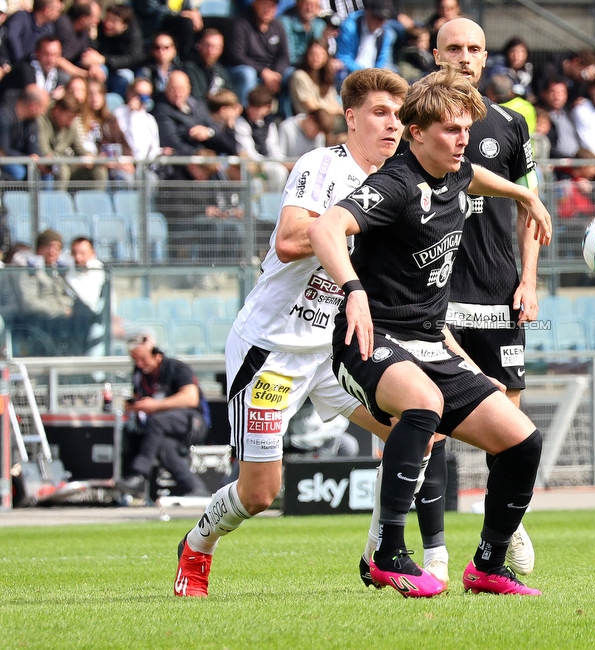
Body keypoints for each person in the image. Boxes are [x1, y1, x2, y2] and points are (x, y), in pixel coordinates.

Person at [307, 66, 552, 597]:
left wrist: (523, 195)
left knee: (522, 441)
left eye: (466, 128)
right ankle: (387, 553)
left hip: (430, 345)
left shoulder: (455, 172)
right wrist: (352, 291)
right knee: (423, 407)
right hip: (370, 343)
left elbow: (477, 178)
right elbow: (325, 227)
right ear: (416, 132)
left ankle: (487, 564)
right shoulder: (394, 184)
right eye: (450, 129)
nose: (463, 139)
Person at [171, 68, 410, 598]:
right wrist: (351, 239)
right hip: (273, 351)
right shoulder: (323, 165)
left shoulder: (401, 183)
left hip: (333, 353)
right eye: (379, 113)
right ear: (351, 118)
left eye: (398, 115)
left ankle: (379, 554)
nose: (391, 125)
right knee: (261, 494)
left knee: (417, 427)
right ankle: (198, 543)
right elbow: (289, 240)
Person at [375, 16, 538, 584]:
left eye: (473, 48)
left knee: (508, 424)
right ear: (433, 53)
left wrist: (530, 280)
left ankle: (500, 532)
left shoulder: (510, 125)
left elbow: (519, 202)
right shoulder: (417, 126)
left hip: (497, 293)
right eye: (453, 48)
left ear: (486, 56)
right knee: (428, 423)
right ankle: (429, 549)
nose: (463, 57)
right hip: (435, 302)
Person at [117, 334, 211, 498]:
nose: (140, 364)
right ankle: (197, 489)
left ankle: (139, 475)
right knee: (164, 448)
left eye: (143, 359)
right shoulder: (140, 374)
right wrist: (135, 405)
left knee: (157, 421)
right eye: (136, 360)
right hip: (162, 427)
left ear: (157, 355)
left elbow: (191, 398)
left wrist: (154, 406)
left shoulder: (177, 367)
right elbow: (139, 396)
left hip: (193, 422)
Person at [153, 71, 235, 158]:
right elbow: (173, 144)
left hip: (207, 162)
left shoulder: (198, 107)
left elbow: (225, 142)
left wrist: (209, 133)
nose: (178, 93)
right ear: (166, 90)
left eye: (181, 89)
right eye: (173, 89)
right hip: (184, 165)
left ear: (189, 88)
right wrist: (201, 154)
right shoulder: (162, 110)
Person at [226, 0, 291, 102]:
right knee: (247, 74)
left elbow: (284, 56)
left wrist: (277, 73)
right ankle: (246, 112)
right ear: (255, 4)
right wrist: (263, 72)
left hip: (272, 71)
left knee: (291, 74)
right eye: (265, 4)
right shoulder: (240, 24)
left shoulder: (278, 25)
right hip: (247, 69)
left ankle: (287, 114)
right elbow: (237, 56)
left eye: (272, 6)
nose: (268, 9)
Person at [334, 0, 398, 82]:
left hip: (373, 76)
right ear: (368, 12)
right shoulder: (349, 28)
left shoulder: (387, 33)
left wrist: (375, 74)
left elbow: (382, 61)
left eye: (383, 19)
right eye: (376, 17)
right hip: (350, 75)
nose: (379, 22)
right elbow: (344, 57)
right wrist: (366, 73)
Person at [235, 84, 287, 184]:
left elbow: (273, 147)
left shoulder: (269, 123)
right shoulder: (241, 121)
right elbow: (247, 151)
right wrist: (269, 163)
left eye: (256, 108)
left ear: (267, 108)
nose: (251, 111)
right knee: (278, 172)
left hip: (266, 163)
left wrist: (281, 161)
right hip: (249, 165)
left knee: (281, 171)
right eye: (251, 106)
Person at [64, 236, 107, 355]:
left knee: (146, 333)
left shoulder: (100, 271)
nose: (78, 258)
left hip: (103, 319)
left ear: (92, 253)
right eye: (74, 253)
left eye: (82, 253)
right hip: (81, 323)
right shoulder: (67, 272)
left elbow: (95, 300)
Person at [288, 39, 343, 131]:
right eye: (312, 54)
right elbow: (312, 107)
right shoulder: (299, 76)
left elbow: (333, 102)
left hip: (330, 116)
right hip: (311, 120)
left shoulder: (325, 76)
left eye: (320, 54)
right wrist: (336, 110)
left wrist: (341, 111)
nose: (316, 57)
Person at [95, 4, 144, 98]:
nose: (108, 24)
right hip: (102, 66)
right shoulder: (98, 28)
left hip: (122, 68)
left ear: (124, 25)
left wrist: (105, 59)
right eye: (107, 19)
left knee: (126, 78)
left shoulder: (133, 35)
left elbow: (133, 58)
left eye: (114, 22)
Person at [0, 84, 46, 181]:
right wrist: (27, 158)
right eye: (43, 107)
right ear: (33, 106)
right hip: (6, 161)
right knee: (18, 171)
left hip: (24, 160)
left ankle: (47, 197)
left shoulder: (32, 121)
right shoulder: (4, 116)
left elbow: (33, 148)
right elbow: (3, 151)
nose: (44, 112)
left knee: (47, 173)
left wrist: (42, 159)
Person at [114, 77, 165, 162]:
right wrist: (134, 114)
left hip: (145, 165)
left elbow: (154, 147)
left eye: (146, 95)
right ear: (129, 93)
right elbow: (134, 146)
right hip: (125, 163)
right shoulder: (118, 115)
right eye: (138, 94)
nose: (141, 99)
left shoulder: (149, 119)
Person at [0, 35, 70, 97]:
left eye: (55, 55)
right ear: (36, 53)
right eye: (46, 54)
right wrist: (52, 97)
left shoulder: (55, 73)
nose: (50, 59)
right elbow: (34, 97)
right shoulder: (25, 69)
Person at [52, 0, 101, 81]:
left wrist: (93, 67)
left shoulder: (83, 32)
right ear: (83, 18)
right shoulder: (63, 25)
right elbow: (57, 59)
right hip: (55, 69)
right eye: (94, 17)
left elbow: (83, 55)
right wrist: (84, 74)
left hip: (72, 66)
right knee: (64, 78)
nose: (97, 21)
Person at [4, 0, 61, 64]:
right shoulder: (21, 18)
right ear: (47, 10)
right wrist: (20, 62)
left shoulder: (49, 29)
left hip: (31, 68)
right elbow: (12, 36)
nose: (59, 12)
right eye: (57, 9)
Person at [182, 29, 231, 101]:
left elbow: (230, 94)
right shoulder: (189, 68)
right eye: (207, 45)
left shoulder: (221, 70)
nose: (210, 51)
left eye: (216, 47)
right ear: (199, 45)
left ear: (221, 49)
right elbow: (196, 98)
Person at [539, 76, 579, 160]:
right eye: (553, 92)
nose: (557, 96)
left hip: (573, 161)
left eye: (561, 93)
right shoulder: (539, 116)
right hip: (553, 163)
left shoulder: (569, 114)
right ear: (544, 94)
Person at [137, 32, 182, 102]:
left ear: (174, 50)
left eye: (166, 47)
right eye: (157, 47)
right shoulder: (145, 71)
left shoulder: (180, 71)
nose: (161, 51)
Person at [280, 0, 327, 66]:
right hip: (291, 67)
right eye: (307, 4)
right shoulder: (286, 22)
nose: (310, 8)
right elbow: (289, 56)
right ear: (299, 4)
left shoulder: (319, 24)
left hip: (311, 66)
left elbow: (318, 50)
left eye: (314, 5)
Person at [485, 36, 533, 101]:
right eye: (513, 51)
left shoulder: (527, 70)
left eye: (521, 52)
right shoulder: (498, 70)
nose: (516, 56)